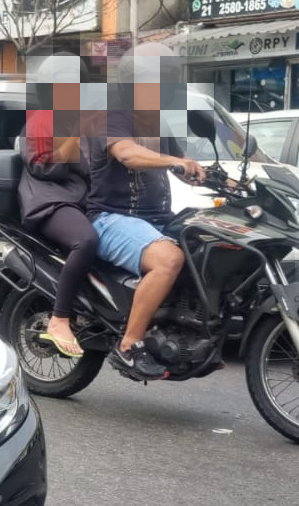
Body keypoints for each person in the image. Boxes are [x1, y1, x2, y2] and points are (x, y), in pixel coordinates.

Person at [85, 43, 207, 381]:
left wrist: (219, 179)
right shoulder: (111, 117)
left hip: (154, 218)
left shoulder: (158, 122)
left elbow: (186, 168)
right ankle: (129, 345)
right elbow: (128, 154)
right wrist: (175, 161)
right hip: (110, 217)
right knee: (169, 259)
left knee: (208, 241)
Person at [19, 52, 98, 358]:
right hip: (50, 199)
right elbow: (46, 167)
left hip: (81, 199)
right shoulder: (41, 120)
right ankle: (60, 318)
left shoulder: (79, 120)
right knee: (86, 240)